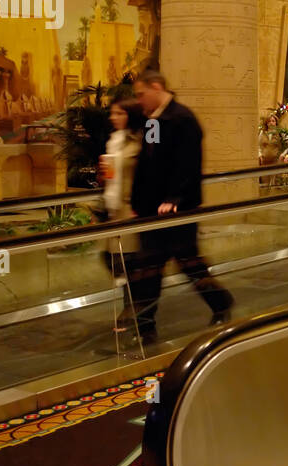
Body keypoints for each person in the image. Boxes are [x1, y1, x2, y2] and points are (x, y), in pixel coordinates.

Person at [123, 70, 234, 342]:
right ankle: (145, 325)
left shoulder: (182, 119)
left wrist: (174, 199)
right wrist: (138, 201)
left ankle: (219, 302)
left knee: (181, 263)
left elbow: (188, 165)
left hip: (176, 210)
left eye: (141, 94)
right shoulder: (154, 121)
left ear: (157, 87)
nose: (139, 101)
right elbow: (147, 164)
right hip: (152, 210)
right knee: (150, 266)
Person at [100, 97, 143, 323]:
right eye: (112, 113)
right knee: (111, 258)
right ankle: (134, 307)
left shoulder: (139, 140)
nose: (112, 117)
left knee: (126, 260)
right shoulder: (114, 141)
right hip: (115, 208)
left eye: (118, 113)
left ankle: (132, 310)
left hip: (131, 208)